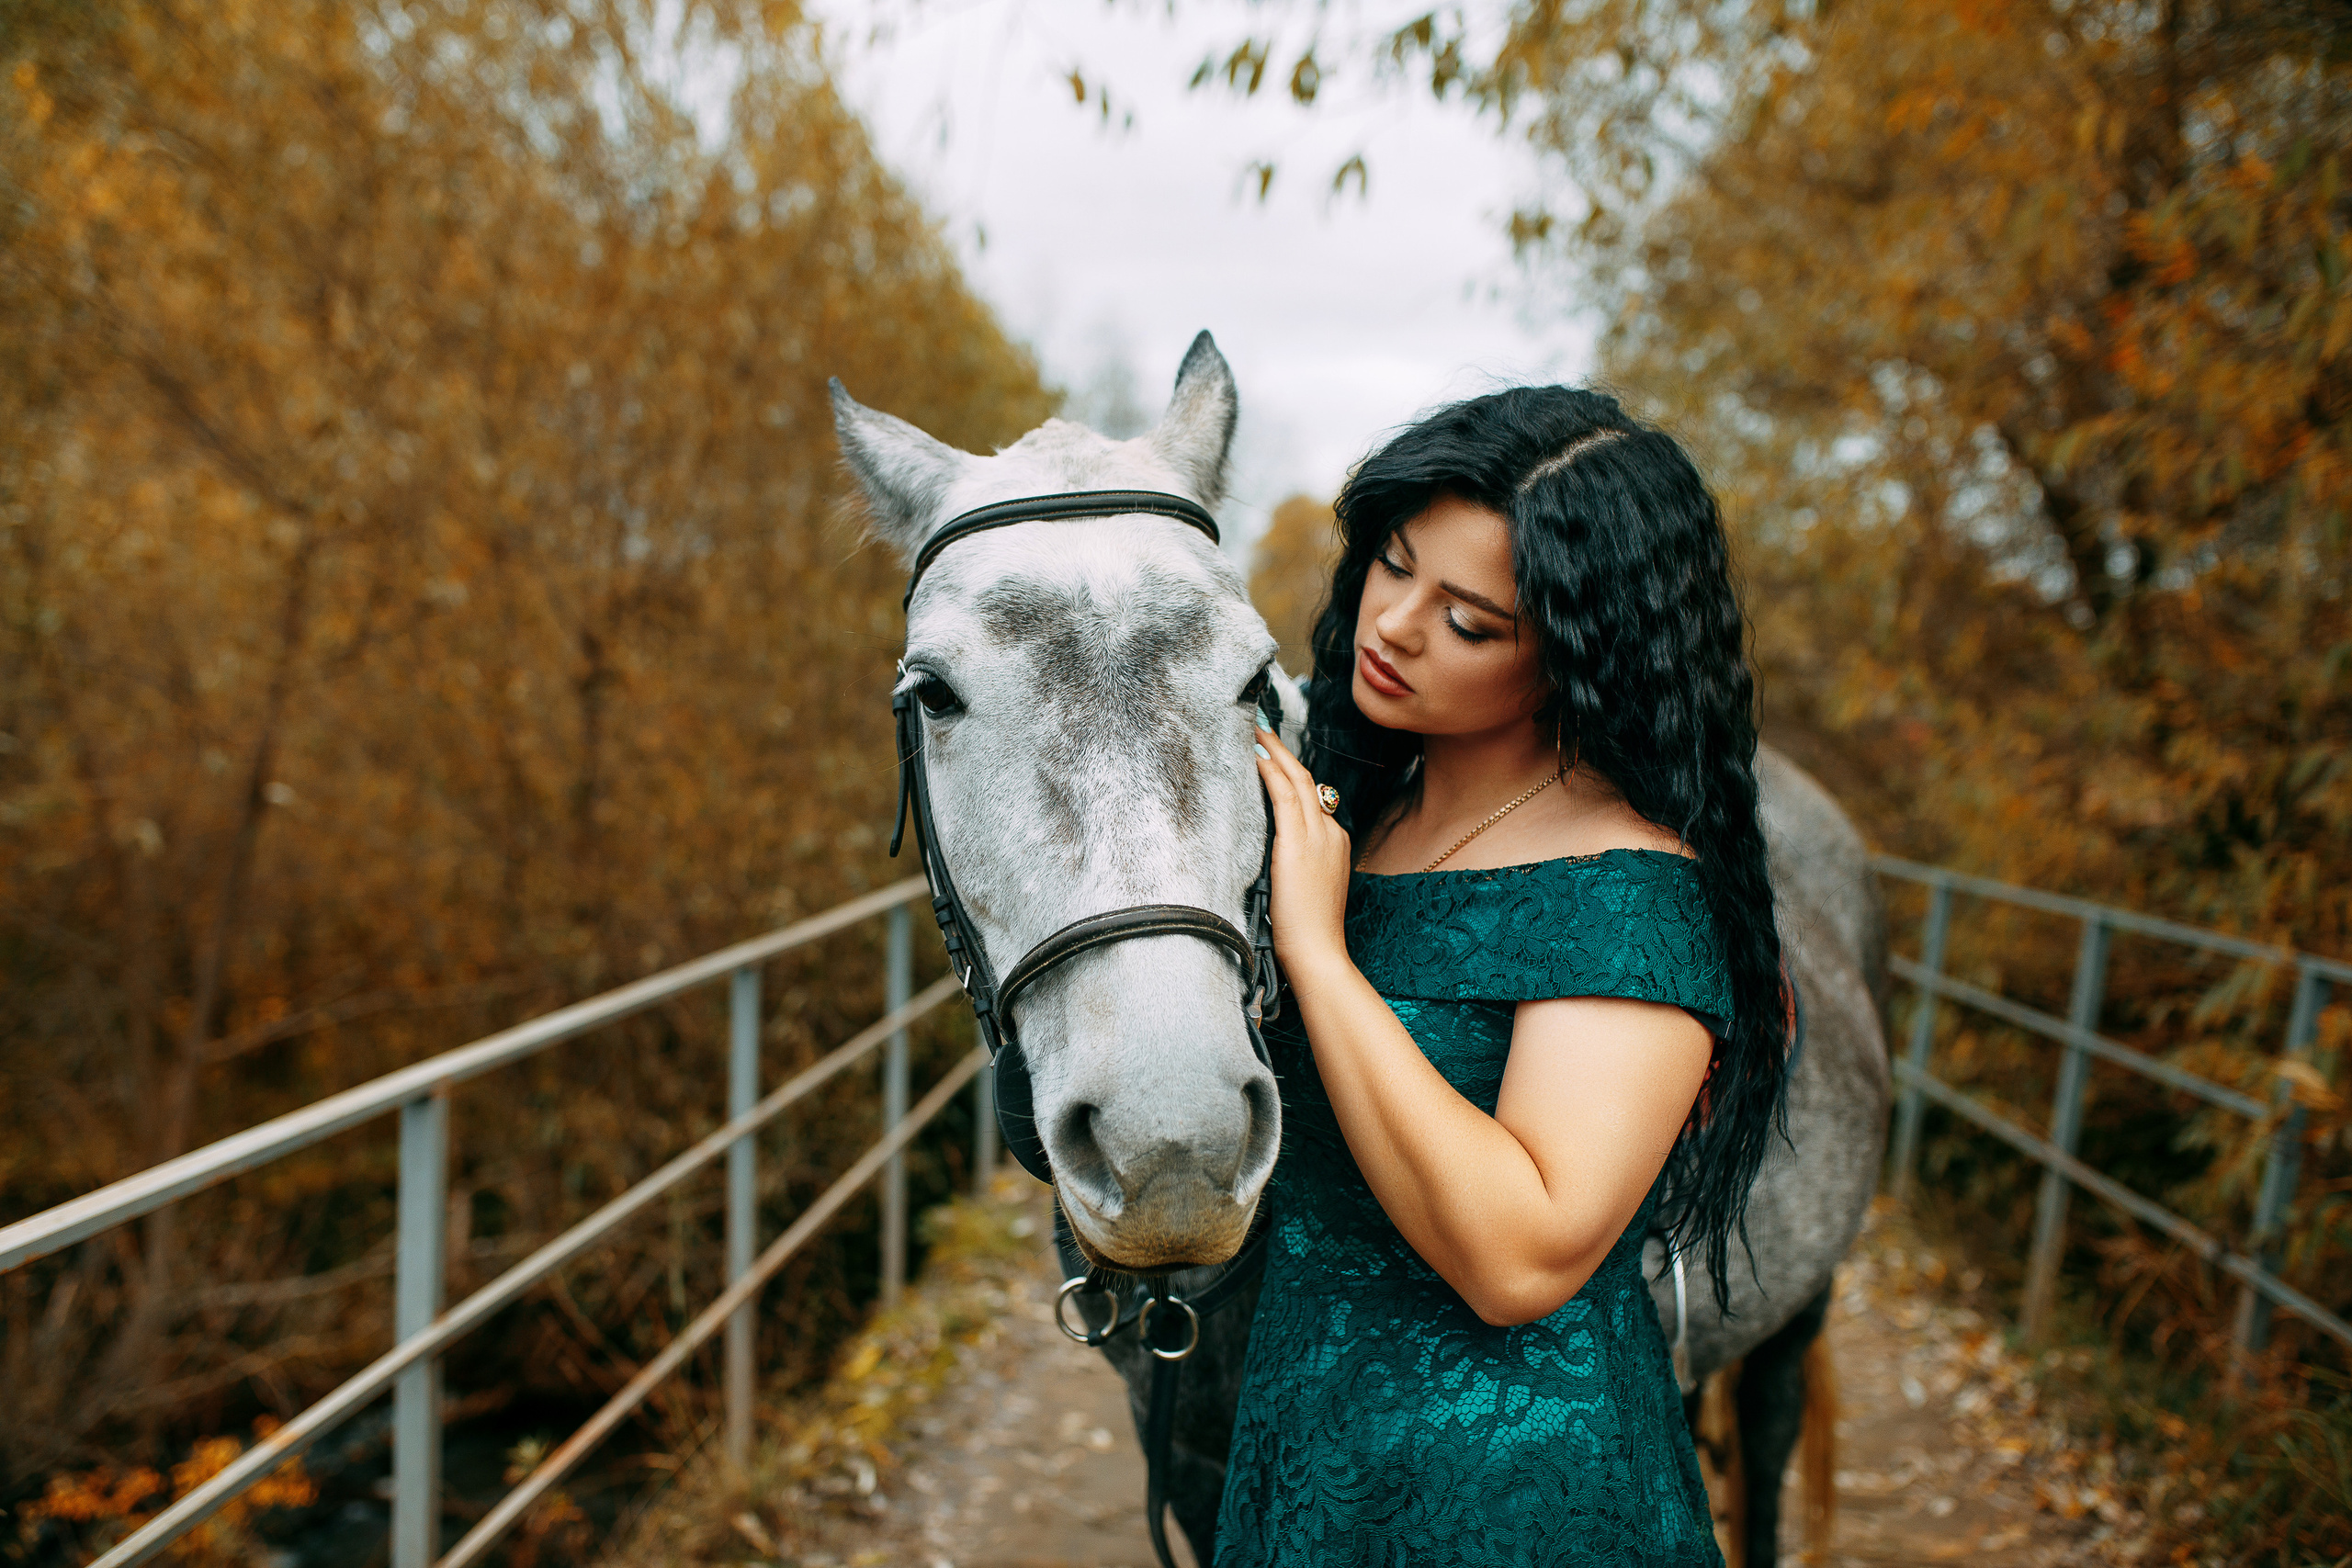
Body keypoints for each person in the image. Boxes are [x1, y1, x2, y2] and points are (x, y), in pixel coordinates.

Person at [1213, 386, 1790, 1566]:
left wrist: (1319, 956)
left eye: (1469, 622)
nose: (1393, 624)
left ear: (1578, 660)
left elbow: (1520, 1258)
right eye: (1391, 563)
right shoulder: (1355, 809)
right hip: (1300, 1448)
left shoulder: (1631, 888)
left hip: (1515, 1497)